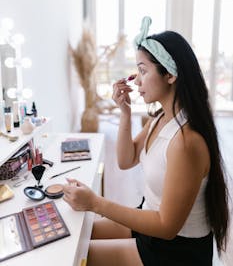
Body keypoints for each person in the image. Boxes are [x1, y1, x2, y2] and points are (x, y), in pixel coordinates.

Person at [63, 16, 229, 266]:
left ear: (170, 75)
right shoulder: (161, 118)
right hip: (150, 222)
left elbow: (166, 227)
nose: (137, 80)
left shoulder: (186, 142)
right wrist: (125, 113)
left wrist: (95, 203)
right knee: (75, 238)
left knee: (75, 257)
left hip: (175, 251)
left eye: (143, 70)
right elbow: (125, 160)